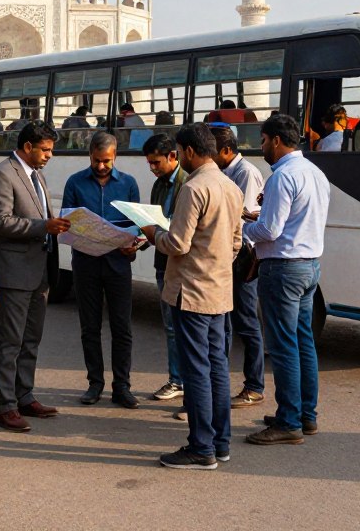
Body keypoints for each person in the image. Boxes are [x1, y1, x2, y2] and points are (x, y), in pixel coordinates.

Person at [140, 123, 243, 470]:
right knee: (217, 368)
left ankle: (201, 447)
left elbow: (178, 244)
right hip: (218, 291)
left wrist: (154, 233)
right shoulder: (230, 186)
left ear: (187, 152)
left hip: (190, 292)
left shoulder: (193, 188)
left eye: (180, 152)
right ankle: (220, 442)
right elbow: (236, 243)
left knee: (196, 369)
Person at [243, 114, 330, 445]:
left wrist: (240, 227)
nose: (262, 147)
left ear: (276, 141)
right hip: (309, 266)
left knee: (282, 347)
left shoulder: (282, 177)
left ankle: (288, 421)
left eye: (263, 141)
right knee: (302, 341)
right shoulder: (315, 173)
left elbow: (269, 231)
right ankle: (306, 415)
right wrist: (261, 216)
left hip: (282, 268)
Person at [0, 121, 71, 432]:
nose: (50, 155)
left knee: (31, 339)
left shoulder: (37, 175)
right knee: (11, 342)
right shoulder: (2, 174)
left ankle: (25, 396)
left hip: (40, 270)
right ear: (27, 147)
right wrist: (42, 227)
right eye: (45, 150)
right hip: (15, 272)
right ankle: (5, 407)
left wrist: (53, 225)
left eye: (51, 150)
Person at [62, 131, 141, 408]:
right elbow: (67, 220)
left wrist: (134, 244)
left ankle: (122, 386)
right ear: (89, 156)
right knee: (89, 327)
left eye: (106, 161)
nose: (101, 166)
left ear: (115, 156)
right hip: (85, 263)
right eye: (97, 161)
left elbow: (136, 226)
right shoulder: (75, 182)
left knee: (122, 327)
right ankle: (95, 383)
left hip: (118, 263)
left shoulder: (129, 184)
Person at [209, 125, 267, 408]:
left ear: (227, 151)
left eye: (213, 153)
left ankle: (254, 385)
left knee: (247, 321)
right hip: (227, 256)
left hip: (243, 258)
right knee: (228, 322)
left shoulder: (245, 173)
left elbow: (242, 219)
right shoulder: (224, 172)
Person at [142, 133, 187, 404]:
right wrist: (139, 240)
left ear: (173, 156)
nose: (153, 168)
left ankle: (186, 383)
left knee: (188, 327)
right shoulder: (159, 184)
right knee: (171, 325)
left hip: (182, 263)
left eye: (156, 162)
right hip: (163, 261)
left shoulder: (189, 183)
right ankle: (176, 379)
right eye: (149, 163)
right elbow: (152, 221)